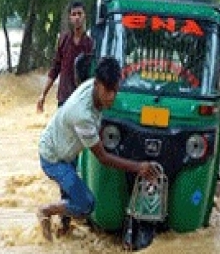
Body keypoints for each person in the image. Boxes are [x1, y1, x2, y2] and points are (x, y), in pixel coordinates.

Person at [37, 56, 161, 240]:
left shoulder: (92, 87)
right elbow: (103, 157)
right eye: (108, 91)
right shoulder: (82, 115)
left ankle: (61, 235)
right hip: (53, 158)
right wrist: (138, 167)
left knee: (70, 201)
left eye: (115, 91)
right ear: (97, 84)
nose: (112, 97)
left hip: (66, 147)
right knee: (85, 204)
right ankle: (45, 211)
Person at [37, 0, 94, 112]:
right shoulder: (64, 41)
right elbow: (55, 69)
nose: (77, 17)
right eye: (74, 14)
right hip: (64, 98)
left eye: (79, 14)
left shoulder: (90, 44)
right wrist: (43, 94)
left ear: (84, 16)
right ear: (70, 18)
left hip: (81, 100)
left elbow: (93, 76)